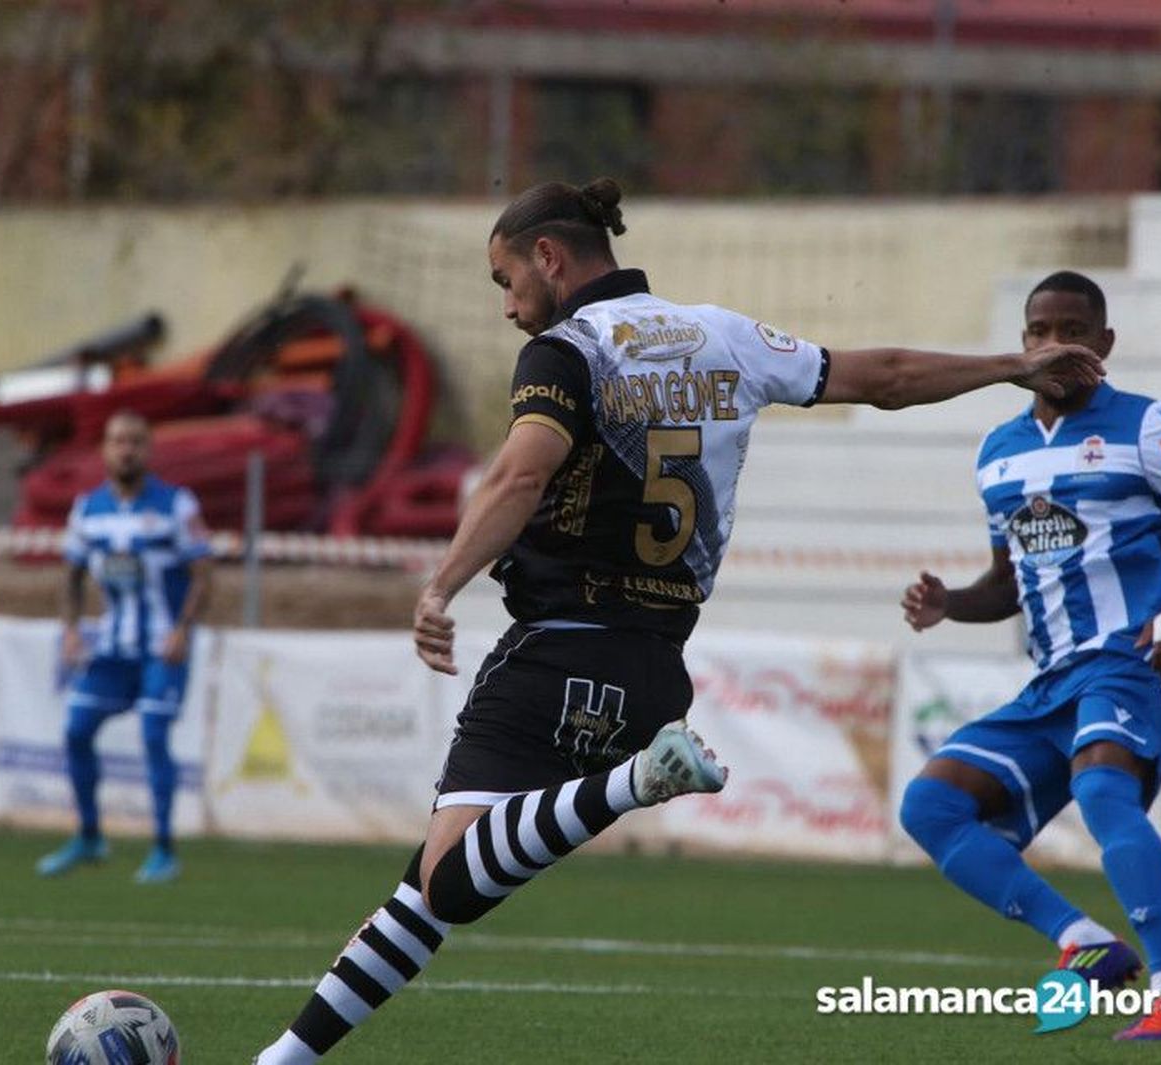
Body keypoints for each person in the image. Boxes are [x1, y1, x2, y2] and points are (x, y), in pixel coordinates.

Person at [253, 179, 1103, 1064]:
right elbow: (880, 378)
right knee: (428, 890)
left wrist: (439, 587)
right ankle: (286, 1058)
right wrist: (1010, 368)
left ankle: (639, 782)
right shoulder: (724, 334)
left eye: (506, 280)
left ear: (550, 258)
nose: (508, 306)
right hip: (655, 668)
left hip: (557, 650)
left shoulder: (568, 350)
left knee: (449, 881)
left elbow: (520, 475)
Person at [897, 271, 1161, 1041]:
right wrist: (950, 603)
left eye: (1073, 329)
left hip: (1127, 661)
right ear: (1024, 342)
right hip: (1050, 680)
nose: (1055, 344)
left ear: (1104, 343)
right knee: (929, 805)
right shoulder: (999, 452)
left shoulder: (1146, 426)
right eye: (1040, 330)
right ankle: (1084, 941)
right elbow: (1008, 584)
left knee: (1103, 796)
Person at [36, 410, 214, 884]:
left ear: (148, 449)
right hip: (113, 647)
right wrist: (72, 629)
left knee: (154, 735)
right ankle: (90, 836)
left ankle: (163, 849)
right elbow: (71, 576)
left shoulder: (176, 505)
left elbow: (203, 572)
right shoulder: (88, 509)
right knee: (75, 730)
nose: (126, 450)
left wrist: (183, 628)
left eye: (135, 441)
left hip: (161, 646)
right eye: (118, 441)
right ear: (105, 449)